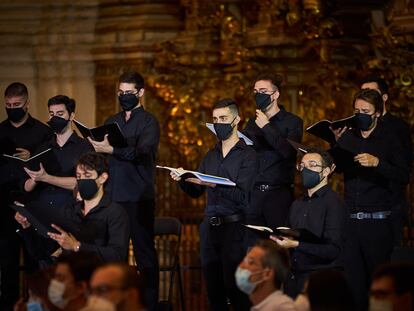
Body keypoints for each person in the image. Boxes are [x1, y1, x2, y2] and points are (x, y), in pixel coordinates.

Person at [170, 98, 258, 311]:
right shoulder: (210, 155)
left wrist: (212, 183)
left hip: (234, 228)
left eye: (224, 118)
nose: (219, 123)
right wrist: (183, 179)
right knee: (214, 290)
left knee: (236, 291)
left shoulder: (248, 155)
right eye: (215, 119)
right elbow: (197, 192)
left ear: (236, 120)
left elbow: (242, 196)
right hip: (209, 227)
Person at [331, 89, 410, 310]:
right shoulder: (349, 136)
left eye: (365, 111)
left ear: (377, 113)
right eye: (356, 111)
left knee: (379, 285)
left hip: (377, 222)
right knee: (353, 285)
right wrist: (335, 147)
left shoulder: (390, 138)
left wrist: (378, 163)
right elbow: (339, 168)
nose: (360, 115)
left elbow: (404, 175)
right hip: (351, 220)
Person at [88, 71, 160, 310]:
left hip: (139, 197)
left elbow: (143, 152)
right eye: (121, 93)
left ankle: (148, 305)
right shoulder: (112, 120)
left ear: (140, 93)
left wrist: (112, 150)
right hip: (114, 197)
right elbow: (106, 157)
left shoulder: (149, 122)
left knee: (144, 256)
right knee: (112, 255)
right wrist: (99, 148)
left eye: (129, 93)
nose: (124, 96)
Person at [15, 152, 130, 263]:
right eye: (79, 177)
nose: (81, 181)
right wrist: (27, 226)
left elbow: (117, 255)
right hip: (72, 277)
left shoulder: (115, 212)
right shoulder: (69, 211)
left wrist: (77, 246)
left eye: (87, 176)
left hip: (101, 278)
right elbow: (41, 253)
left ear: (102, 178)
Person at [0, 82, 53, 310]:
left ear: (27, 103)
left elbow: (50, 166)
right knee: (7, 266)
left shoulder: (42, 132)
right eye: (8, 105)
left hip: (33, 206)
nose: (12, 108)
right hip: (4, 207)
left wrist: (32, 156)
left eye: (17, 105)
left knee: (35, 266)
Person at [271, 148, 347, 297]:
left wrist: (296, 245)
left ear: (326, 172)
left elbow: (333, 250)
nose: (306, 169)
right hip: (293, 277)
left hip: (320, 279)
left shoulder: (334, 203)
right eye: (303, 166)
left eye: (312, 165)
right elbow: (287, 234)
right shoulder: (297, 204)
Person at [243, 73, 303, 243]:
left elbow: (288, 152)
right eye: (255, 91)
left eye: (263, 91)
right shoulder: (251, 123)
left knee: (279, 248)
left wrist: (267, 127)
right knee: (252, 248)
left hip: (278, 196)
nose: (258, 95)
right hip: (254, 195)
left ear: (275, 94)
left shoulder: (293, 122)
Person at [360, 77, 412, 246]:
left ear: (384, 98)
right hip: (361, 206)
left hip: (390, 207)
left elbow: (403, 172)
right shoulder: (355, 129)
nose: (366, 96)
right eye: (363, 93)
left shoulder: (397, 128)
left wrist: (378, 163)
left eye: (371, 92)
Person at [23, 95, 93, 210]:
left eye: (60, 114)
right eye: (52, 114)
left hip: (71, 211)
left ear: (71, 116)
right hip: (43, 209)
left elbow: (83, 183)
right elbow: (26, 186)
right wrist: (35, 178)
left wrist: (46, 178)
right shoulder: (43, 148)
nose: (55, 118)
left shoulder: (84, 146)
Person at [236, 239, 295, 311]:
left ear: (267, 274)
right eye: (244, 260)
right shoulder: (259, 306)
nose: (241, 266)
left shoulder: (283, 308)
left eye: (251, 262)